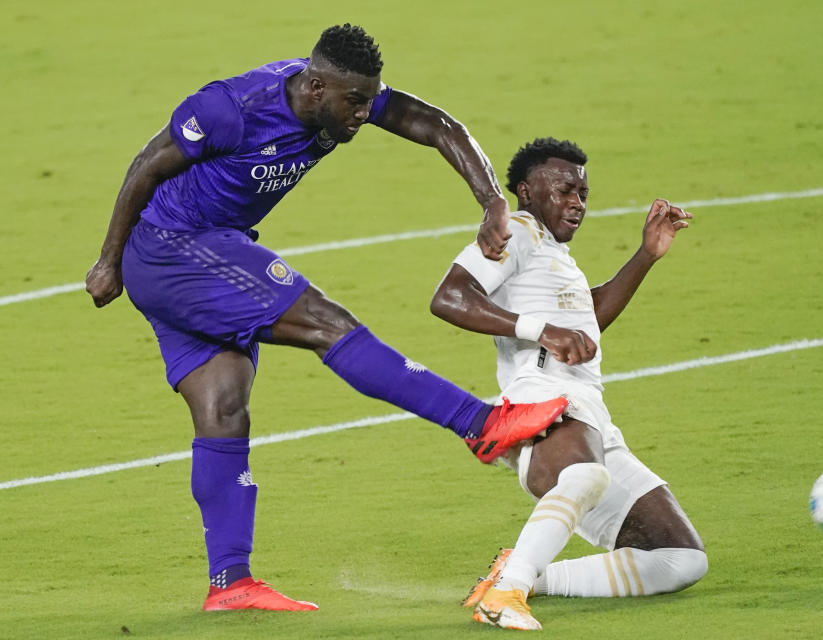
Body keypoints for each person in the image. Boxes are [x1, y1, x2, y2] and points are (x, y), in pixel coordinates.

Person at [84, 25, 568, 612]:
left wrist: (491, 198)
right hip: (174, 247)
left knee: (223, 404)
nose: (365, 114)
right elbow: (145, 166)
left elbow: (436, 125)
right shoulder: (230, 108)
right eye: (355, 103)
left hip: (196, 255)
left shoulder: (339, 95)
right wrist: (109, 261)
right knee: (324, 321)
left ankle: (230, 583)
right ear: (316, 89)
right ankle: (479, 424)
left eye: (370, 100)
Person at [430, 137, 707, 630]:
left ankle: (524, 576)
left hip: (589, 409)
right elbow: (449, 297)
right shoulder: (517, 231)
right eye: (564, 189)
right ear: (526, 191)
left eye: (582, 192)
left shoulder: (554, 255)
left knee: (679, 559)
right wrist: (541, 330)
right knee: (583, 478)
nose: (577, 201)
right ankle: (507, 594)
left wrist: (645, 256)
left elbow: (587, 320)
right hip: (542, 396)